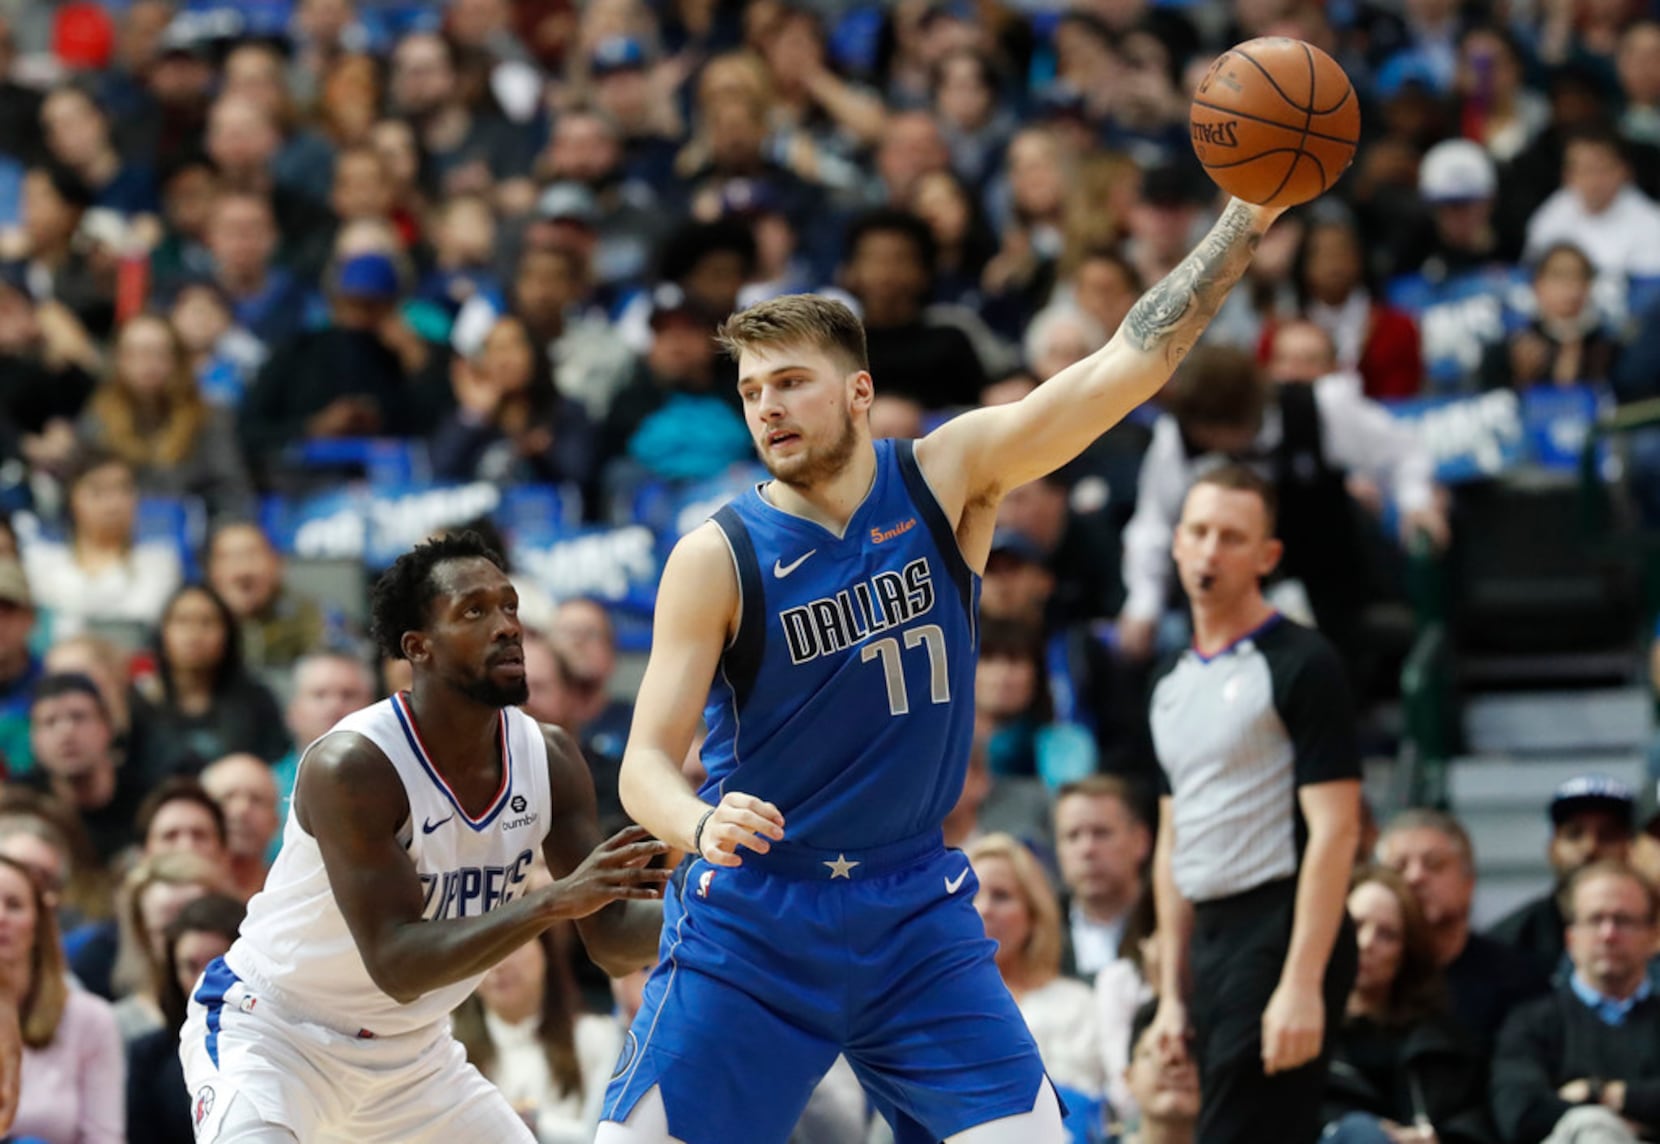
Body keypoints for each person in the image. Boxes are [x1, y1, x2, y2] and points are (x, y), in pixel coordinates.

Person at [600, 189, 1287, 1143]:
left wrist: (1243, 220)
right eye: (752, 392)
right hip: (757, 917)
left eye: (791, 382)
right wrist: (698, 819)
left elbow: (1124, 367)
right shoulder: (714, 556)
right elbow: (641, 766)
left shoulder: (944, 474)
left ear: (859, 393)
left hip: (911, 911)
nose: (769, 408)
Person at [179, 531, 669, 1143]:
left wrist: (710, 897)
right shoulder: (354, 764)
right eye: (475, 611)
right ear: (420, 648)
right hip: (277, 1034)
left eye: (510, 605)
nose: (507, 625)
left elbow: (614, 945)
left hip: (412, 1060)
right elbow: (398, 964)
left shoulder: (549, 756)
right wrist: (553, 901)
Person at [1145, 464, 1363, 1144]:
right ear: (1176, 542)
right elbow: (1172, 839)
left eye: (1233, 538)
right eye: (1200, 532)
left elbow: (1336, 831)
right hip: (1207, 933)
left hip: (1278, 920)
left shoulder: (1304, 661)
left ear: (1267, 556)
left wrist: (1301, 981)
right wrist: (1172, 996)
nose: (1211, 551)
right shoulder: (1168, 679)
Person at [1491, 861, 1660, 1144]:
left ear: (1653, 936)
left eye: (1623, 920)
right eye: (1595, 920)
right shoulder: (1530, 1023)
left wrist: (1600, 1093)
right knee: (1591, 1128)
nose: (1609, 934)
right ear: (1571, 938)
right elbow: (1520, 1114)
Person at [1321, 867, 1490, 1144]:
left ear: (1406, 952)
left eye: (1386, 935)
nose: (1366, 943)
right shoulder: (1300, 1037)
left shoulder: (1442, 1045)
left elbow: (1476, 1126)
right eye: (1356, 925)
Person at [1377, 809, 1552, 1050]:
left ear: (1469, 883)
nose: (1415, 877)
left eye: (1434, 865)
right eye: (1399, 867)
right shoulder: (1361, 981)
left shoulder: (1520, 981)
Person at [967, 831, 1108, 1101]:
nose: (984, 909)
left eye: (1001, 896)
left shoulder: (1077, 1004)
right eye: (971, 896)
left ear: (1033, 914)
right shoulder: (935, 1006)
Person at [1, 852, 124, 1142]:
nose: (1, 917)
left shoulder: (91, 1019)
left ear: (38, 924)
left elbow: (104, 1138)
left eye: (14, 905)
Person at [1490, 774, 1635, 980]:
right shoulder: (1511, 942)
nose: (1590, 848)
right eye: (1574, 834)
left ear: (1631, 848)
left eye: (1608, 835)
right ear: (1552, 849)